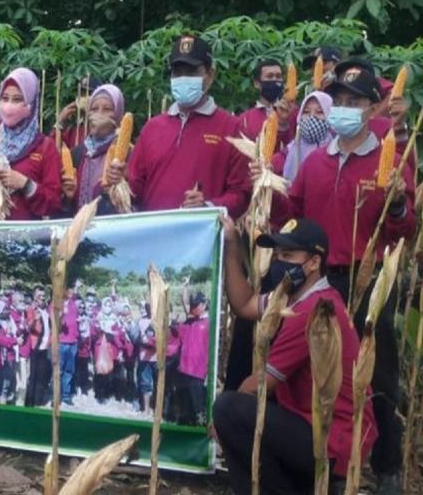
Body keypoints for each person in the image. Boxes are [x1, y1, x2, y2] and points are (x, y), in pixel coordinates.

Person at [266, 68, 415, 493]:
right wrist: (268, 193)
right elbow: (290, 214)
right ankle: (323, 461)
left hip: (368, 281)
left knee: (376, 375)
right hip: (318, 283)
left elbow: (404, 230)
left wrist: (400, 206)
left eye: (354, 102)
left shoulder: (388, 163)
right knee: (318, 371)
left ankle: (386, 468)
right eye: (340, 101)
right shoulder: (315, 162)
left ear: (372, 108)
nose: (345, 109)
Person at [215, 216, 377, 495]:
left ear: (314, 262)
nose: (279, 262)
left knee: (229, 410)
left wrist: (221, 422)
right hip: (318, 427)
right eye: (276, 255)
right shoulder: (293, 298)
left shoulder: (312, 310)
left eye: (288, 255)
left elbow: (261, 385)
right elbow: (244, 304)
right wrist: (231, 244)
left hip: (332, 437)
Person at [107, 35, 250, 218]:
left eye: (191, 72)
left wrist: (209, 206)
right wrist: (120, 181)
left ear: (210, 75)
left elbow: (242, 194)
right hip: (155, 234)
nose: (184, 78)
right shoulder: (153, 128)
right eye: (177, 72)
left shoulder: (231, 128)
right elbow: (137, 191)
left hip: (202, 236)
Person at [0, 67, 61, 220]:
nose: (8, 105)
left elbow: (54, 203)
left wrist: (26, 185)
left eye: (17, 99)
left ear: (31, 104)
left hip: (27, 238)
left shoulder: (45, 147)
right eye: (5, 98)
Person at [60, 83, 124, 216]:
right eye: (94, 109)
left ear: (118, 114)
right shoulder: (77, 153)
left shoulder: (127, 154)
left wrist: (119, 186)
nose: (99, 114)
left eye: (107, 109)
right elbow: (64, 207)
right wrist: (67, 197)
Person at [272, 90, 333, 182]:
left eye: (319, 112)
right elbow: (271, 166)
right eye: (306, 112)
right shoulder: (289, 151)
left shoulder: (338, 150)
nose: (311, 117)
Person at [237, 59, 297, 146]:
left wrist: (284, 123)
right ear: (257, 83)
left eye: (278, 76)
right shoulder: (245, 119)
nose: (275, 80)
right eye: (270, 76)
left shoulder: (294, 112)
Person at [172, 292, 209, 425]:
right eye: (192, 304)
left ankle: (200, 425)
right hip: (184, 369)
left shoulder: (209, 324)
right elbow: (176, 334)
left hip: (198, 371)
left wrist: (209, 370)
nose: (193, 307)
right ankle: (188, 424)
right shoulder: (188, 323)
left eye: (196, 304)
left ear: (204, 305)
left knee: (198, 404)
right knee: (186, 403)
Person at [47, 76, 102, 150]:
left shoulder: (103, 127)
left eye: (88, 94)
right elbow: (52, 149)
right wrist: (60, 122)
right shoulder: (74, 128)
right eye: (81, 94)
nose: (83, 98)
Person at [24, 286, 51, 407]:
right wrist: (35, 319)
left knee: (41, 375)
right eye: (39, 295)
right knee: (33, 376)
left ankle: (38, 401)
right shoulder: (31, 309)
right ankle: (29, 403)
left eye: (43, 295)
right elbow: (28, 327)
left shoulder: (46, 309)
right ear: (34, 296)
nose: (42, 298)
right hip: (35, 346)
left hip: (45, 347)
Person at [59, 294, 80, 405]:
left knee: (69, 371)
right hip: (61, 343)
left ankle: (66, 396)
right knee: (58, 371)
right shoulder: (55, 304)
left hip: (73, 343)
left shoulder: (73, 304)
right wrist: (62, 314)